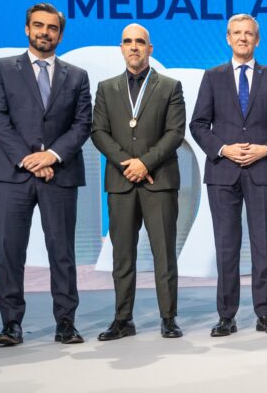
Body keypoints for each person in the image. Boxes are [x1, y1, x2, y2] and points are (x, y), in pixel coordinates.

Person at [0, 2, 92, 346]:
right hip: (12, 174)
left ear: (60, 34)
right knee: (10, 250)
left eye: (52, 28)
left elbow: (82, 124)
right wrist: (29, 159)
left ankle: (65, 322)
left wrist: (51, 156)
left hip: (59, 174)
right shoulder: (2, 68)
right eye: (38, 26)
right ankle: (11, 324)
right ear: (27, 29)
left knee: (62, 251)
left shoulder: (76, 76)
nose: (45, 32)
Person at [190, 13, 267, 337]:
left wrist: (266, 149)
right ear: (228, 38)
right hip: (223, 173)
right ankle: (227, 317)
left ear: (257, 39)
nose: (243, 38)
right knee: (227, 246)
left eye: (248, 33)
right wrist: (223, 149)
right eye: (237, 33)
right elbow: (198, 125)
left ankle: (265, 314)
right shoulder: (213, 76)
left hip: (262, 170)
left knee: (263, 245)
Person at [91, 23, 186, 340]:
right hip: (120, 182)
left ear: (150, 48)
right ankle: (123, 319)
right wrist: (125, 163)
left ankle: (168, 317)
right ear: (121, 47)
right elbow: (98, 132)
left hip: (158, 181)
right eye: (128, 41)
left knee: (164, 253)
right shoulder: (106, 88)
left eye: (140, 42)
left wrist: (144, 162)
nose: (134, 46)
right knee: (122, 256)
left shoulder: (170, 86)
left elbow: (175, 133)